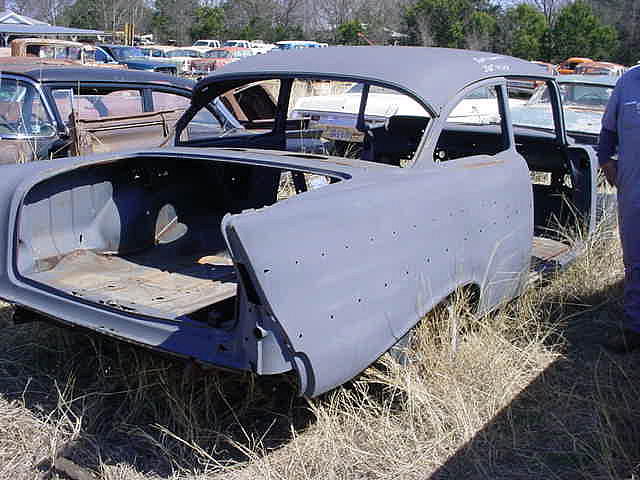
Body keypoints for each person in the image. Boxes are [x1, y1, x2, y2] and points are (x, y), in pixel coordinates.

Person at [598, 67, 640, 353]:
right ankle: (634, 327)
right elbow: (608, 133)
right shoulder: (628, 82)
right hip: (634, 191)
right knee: (635, 260)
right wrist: (606, 161)